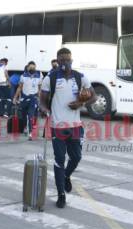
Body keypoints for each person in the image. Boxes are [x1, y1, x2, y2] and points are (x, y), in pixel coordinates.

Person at [40, 48, 96, 208]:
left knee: (76, 157)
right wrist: (45, 110)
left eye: (68, 59)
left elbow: (94, 96)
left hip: (76, 126)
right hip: (58, 126)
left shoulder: (80, 77)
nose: (66, 62)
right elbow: (42, 100)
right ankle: (61, 195)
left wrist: (81, 103)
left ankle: (66, 176)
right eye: (62, 59)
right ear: (57, 61)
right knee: (59, 160)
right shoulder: (49, 78)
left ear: (72, 59)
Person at [13, 61, 43, 140]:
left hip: (33, 98)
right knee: (23, 115)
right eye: (31, 67)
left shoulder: (38, 76)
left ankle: (30, 133)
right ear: (28, 68)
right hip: (24, 98)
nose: (32, 69)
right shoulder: (23, 76)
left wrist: (40, 99)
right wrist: (15, 97)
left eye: (33, 67)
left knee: (30, 115)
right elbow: (19, 87)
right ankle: (25, 127)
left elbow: (40, 89)